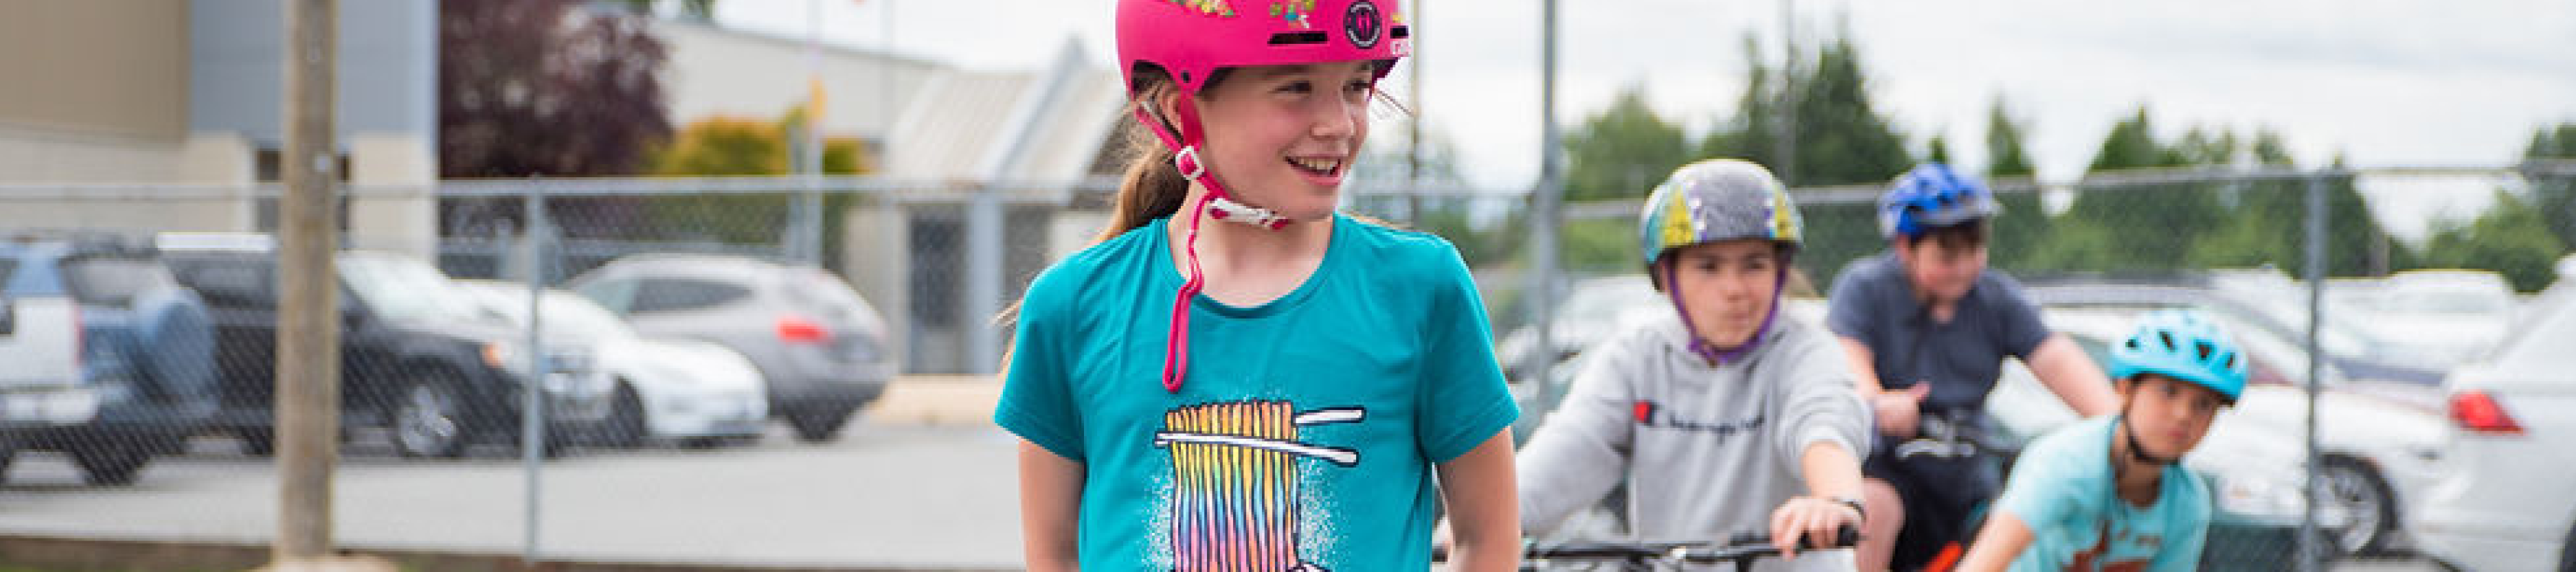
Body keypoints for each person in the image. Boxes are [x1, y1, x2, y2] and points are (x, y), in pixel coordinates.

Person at [994, 1, 1522, 570]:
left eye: (1355, 85)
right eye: (1296, 87)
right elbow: (1055, 555)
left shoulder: (1421, 289)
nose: (1339, 123)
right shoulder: (1072, 307)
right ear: (1181, 111)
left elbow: (1487, 537)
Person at [1515, 159, 1871, 571]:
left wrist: (1835, 501)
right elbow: (1572, 446)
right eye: (1709, 266)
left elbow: (1824, 423)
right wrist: (1477, 527)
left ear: (1780, 272)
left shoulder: (1807, 348)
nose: (1735, 289)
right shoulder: (1636, 356)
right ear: (1667, 277)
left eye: (1754, 264)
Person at [1828, 163, 2119, 571]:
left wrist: (2120, 428)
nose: (1964, 266)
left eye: (1975, 249)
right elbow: (1847, 356)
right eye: (1948, 254)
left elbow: (2056, 359)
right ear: (1904, 247)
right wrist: (1878, 401)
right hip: (1892, 463)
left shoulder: (1996, 299)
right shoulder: (1866, 289)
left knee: (2021, 526)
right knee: (1872, 512)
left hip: (1967, 471)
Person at [1952, 309, 2243, 571]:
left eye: (2203, 404)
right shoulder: (2065, 461)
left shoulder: (2189, 501)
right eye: (2168, 391)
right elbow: (1986, 562)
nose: (2183, 415)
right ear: (2126, 388)